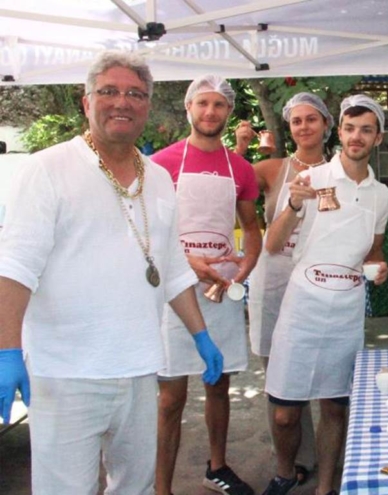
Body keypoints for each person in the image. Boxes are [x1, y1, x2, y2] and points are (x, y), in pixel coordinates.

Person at [0, 51, 223, 494]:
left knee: (136, 486)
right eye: (109, 91)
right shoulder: (46, 170)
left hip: (140, 367)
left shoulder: (158, 177)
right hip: (66, 373)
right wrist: (7, 349)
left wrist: (202, 336)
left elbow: (172, 268)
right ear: (87, 102)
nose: (122, 102)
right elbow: (15, 268)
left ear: (147, 106)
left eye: (135, 94)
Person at [261, 94, 388, 495]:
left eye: (366, 130)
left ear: (377, 138)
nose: (356, 137)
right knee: (284, 413)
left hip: (347, 309)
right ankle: (285, 472)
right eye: (350, 128)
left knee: (335, 407)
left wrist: (380, 268)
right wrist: (292, 207)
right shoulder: (311, 180)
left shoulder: (381, 194)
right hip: (303, 304)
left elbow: (373, 252)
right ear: (340, 133)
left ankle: (326, 487)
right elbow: (272, 245)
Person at [151, 75, 262, 495]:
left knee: (219, 386)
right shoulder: (161, 164)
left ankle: (217, 466)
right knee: (170, 398)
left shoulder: (241, 169)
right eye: (202, 103)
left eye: (218, 104)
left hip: (219, 291)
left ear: (229, 111)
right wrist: (188, 263)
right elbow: (149, 234)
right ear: (189, 108)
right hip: (174, 291)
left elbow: (252, 230)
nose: (210, 111)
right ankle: (162, 486)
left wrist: (241, 274)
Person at [240, 93, 335, 487]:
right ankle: (294, 459)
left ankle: (328, 458)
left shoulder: (340, 172)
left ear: (326, 125)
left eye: (311, 119)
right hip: (274, 282)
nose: (303, 127)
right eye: (296, 121)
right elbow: (231, 183)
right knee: (280, 381)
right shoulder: (271, 169)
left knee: (326, 377)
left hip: (321, 283)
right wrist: (242, 147)